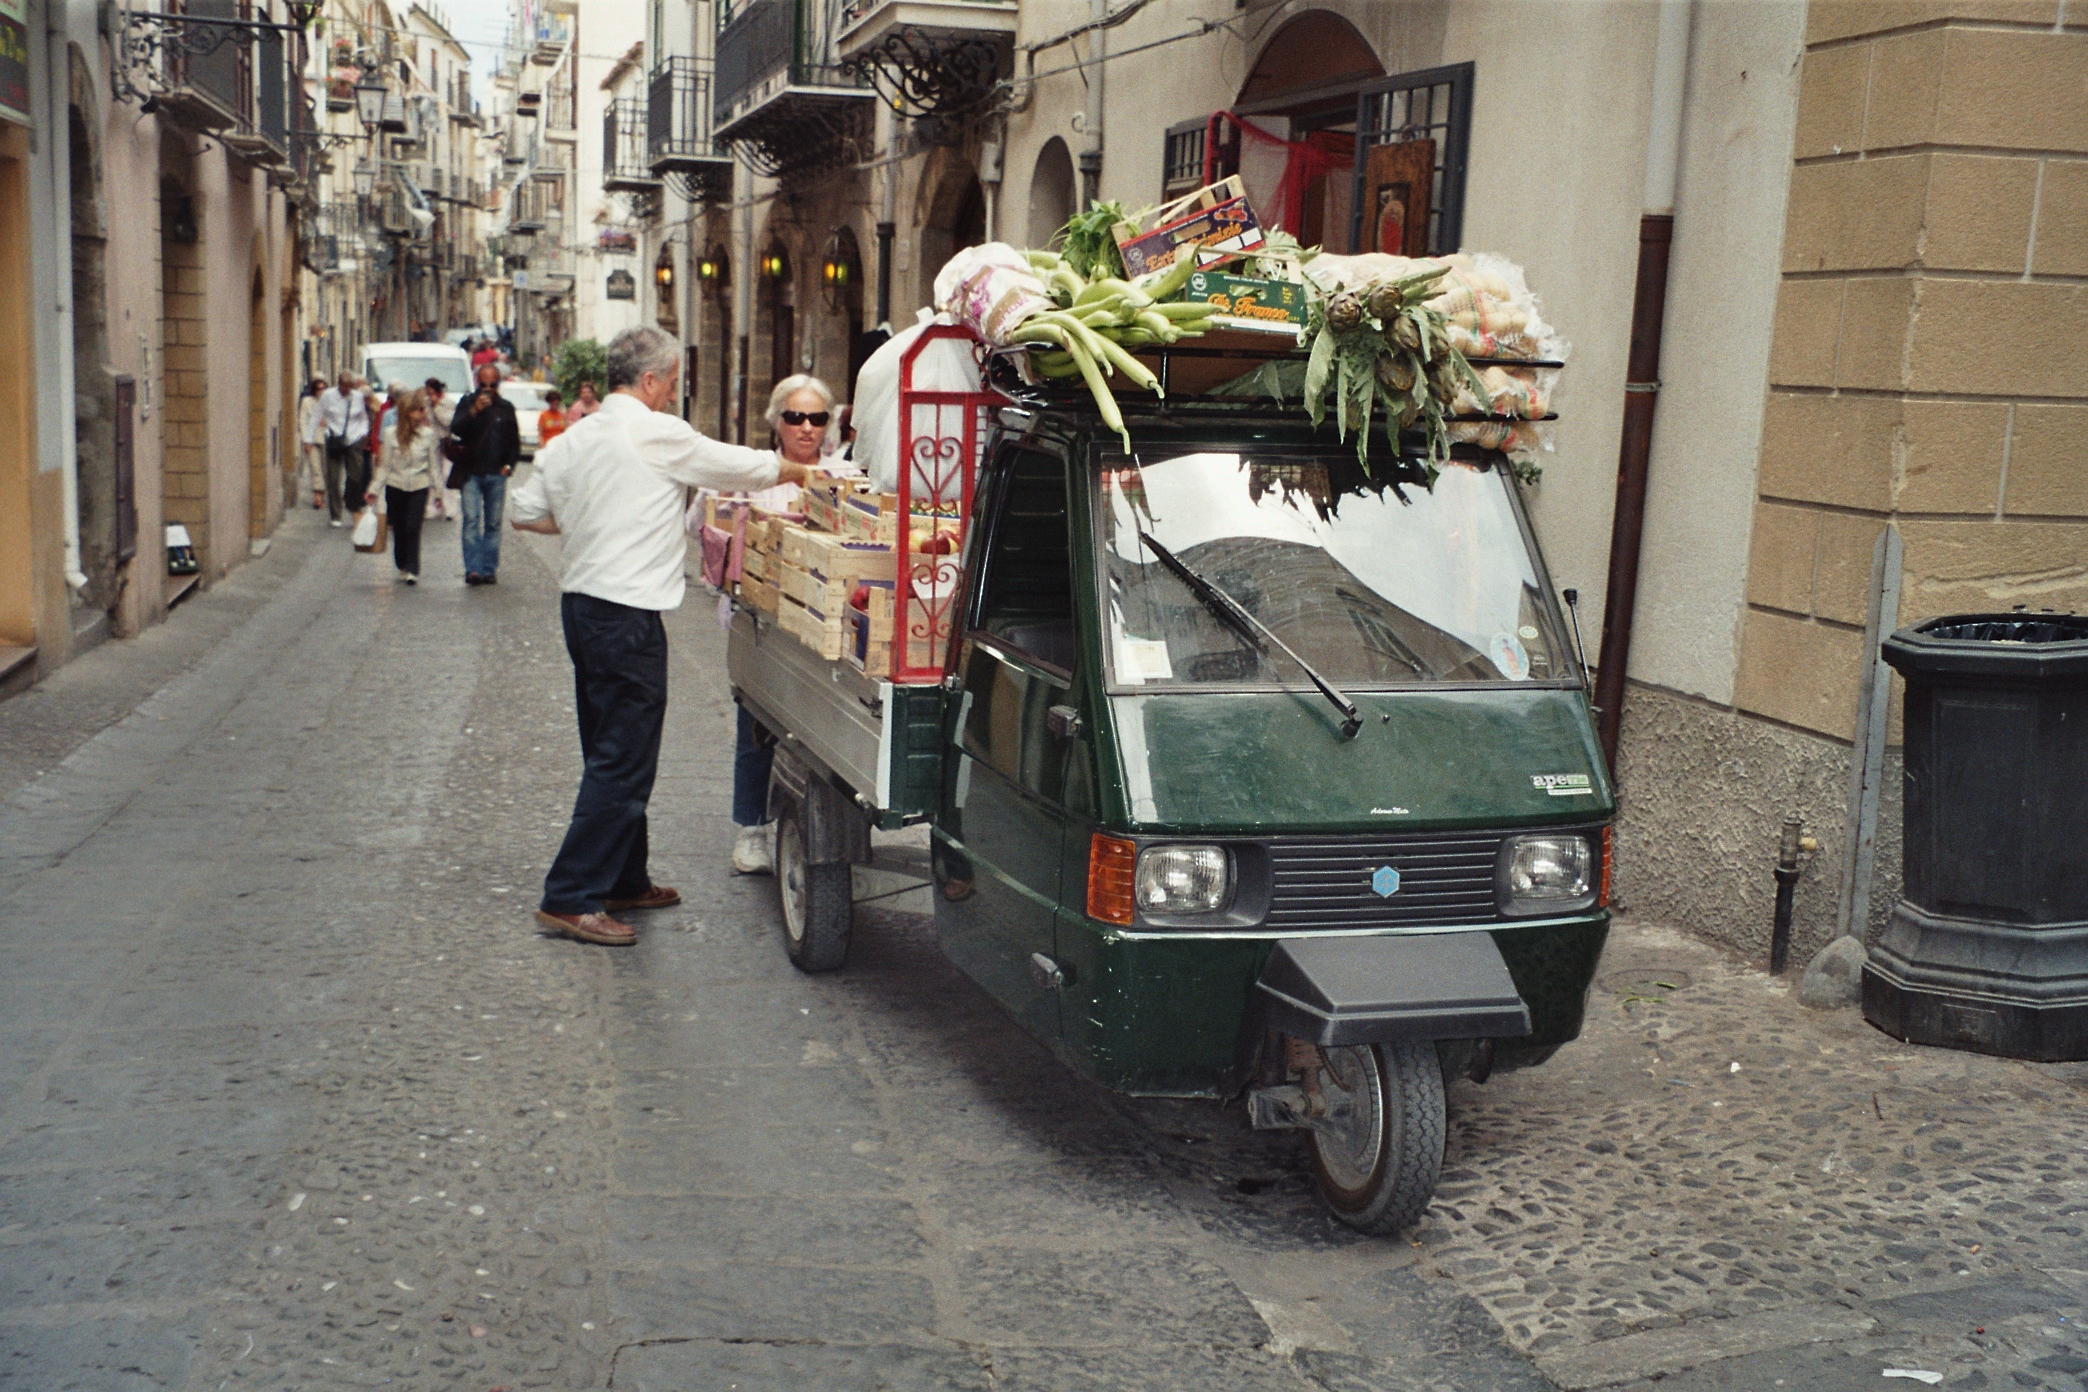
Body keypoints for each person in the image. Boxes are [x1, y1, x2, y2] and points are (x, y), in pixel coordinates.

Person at [508, 326, 809, 947]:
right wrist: (797, 469)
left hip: (583, 608)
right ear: (649, 381)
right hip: (626, 616)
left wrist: (590, 526)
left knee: (609, 746)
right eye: (671, 381)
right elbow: (735, 464)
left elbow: (524, 510)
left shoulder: (575, 438)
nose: (673, 392)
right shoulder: (654, 431)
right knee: (624, 757)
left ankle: (624, 877)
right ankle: (571, 896)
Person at [722, 374, 856, 875]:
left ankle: (831, 835)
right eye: (795, 417)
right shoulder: (751, 474)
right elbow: (705, 526)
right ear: (776, 421)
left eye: (817, 418)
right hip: (762, 622)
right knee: (756, 724)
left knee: (827, 730)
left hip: (827, 625)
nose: (805, 428)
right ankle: (751, 827)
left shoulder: (845, 476)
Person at [448, 361, 520, 585]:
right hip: (471, 472)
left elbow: (513, 441)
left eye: (493, 384)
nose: (488, 389)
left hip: (496, 474)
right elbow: (456, 428)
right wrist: (474, 411)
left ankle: (489, 569)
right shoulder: (467, 403)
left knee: (493, 524)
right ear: (478, 383)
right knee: (471, 520)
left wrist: (509, 465)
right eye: (484, 385)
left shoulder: (506, 408)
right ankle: (473, 569)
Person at [367, 388, 441, 585]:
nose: (422, 414)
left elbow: (434, 465)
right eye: (418, 410)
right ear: (408, 412)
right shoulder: (391, 434)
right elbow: (385, 466)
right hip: (396, 484)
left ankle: (413, 569)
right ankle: (402, 562)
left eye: (423, 410)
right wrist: (374, 490)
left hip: (419, 485)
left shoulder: (428, 435)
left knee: (413, 526)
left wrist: (439, 492)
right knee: (399, 527)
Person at [317, 372, 373, 527]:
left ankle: (352, 504)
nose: (348, 390)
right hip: (334, 439)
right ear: (339, 384)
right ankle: (336, 514)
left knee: (356, 475)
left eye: (351, 387)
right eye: (346, 386)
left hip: (353, 439)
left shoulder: (358, 397)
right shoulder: (328, 396)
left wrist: (363, 432)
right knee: (333, 479)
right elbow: (317, 414)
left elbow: (363, 418)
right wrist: (315, 435)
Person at [423, 377, 457, 521]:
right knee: (432, 474)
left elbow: (448, 422)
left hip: (446, 442)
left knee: (446, 475)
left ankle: (449, 508)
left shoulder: (448, 403)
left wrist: (437, 407)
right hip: (432, 442)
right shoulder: (426, 403)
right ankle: (433, 507)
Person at [296, 377, 328, 510]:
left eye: (323, 388)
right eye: (318, 389)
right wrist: (305, 440)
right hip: (312, 439)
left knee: (326, 469)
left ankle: (323, 493)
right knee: (315, 468)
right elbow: (303, 420)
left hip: (328, 440)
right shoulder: (307, 402)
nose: (321, 391)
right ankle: (317, 497)